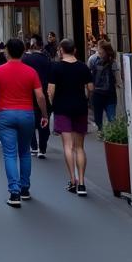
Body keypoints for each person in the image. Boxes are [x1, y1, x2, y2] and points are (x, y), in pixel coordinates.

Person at [0, 39, 48, 207]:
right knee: (25, 152)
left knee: (10, 154)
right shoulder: (31, 72)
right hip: (27, 114)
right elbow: (40, 96)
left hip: (5, 114)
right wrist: (44, 114)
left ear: (7, 52)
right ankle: (25, 187)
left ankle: (14, 191)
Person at [48, 38, 93, 196]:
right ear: (75, 50)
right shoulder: (83, 67)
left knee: (68, 146)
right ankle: (82, 183)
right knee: (79, 147)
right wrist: (86, 99)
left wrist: (52, 103)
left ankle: (72, 180)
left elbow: (51, 90)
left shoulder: (56, 67)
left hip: (62, 107)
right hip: (80, 106)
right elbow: (90, 88)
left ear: (61, 50)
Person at [22, 35, 52, 158]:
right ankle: (42, 148)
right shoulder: (47, 59)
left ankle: (33, 146)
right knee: (44, 119)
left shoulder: (25, 59)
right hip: (43, 92)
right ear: (41, 46)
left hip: (28, 93)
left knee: (30, 120)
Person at [88, 39, 119, 133]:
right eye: (99, 51)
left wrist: (119, 83)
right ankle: (101, 132)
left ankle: (111, 134)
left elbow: (116, 75)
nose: (99, 53)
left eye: (101, 51)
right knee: (98, 118)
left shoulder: (112, 62)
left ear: (106, 51)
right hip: (98, 93)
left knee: (112, 118)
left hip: (109, 94)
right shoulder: (93, 59)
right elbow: (88, 75)